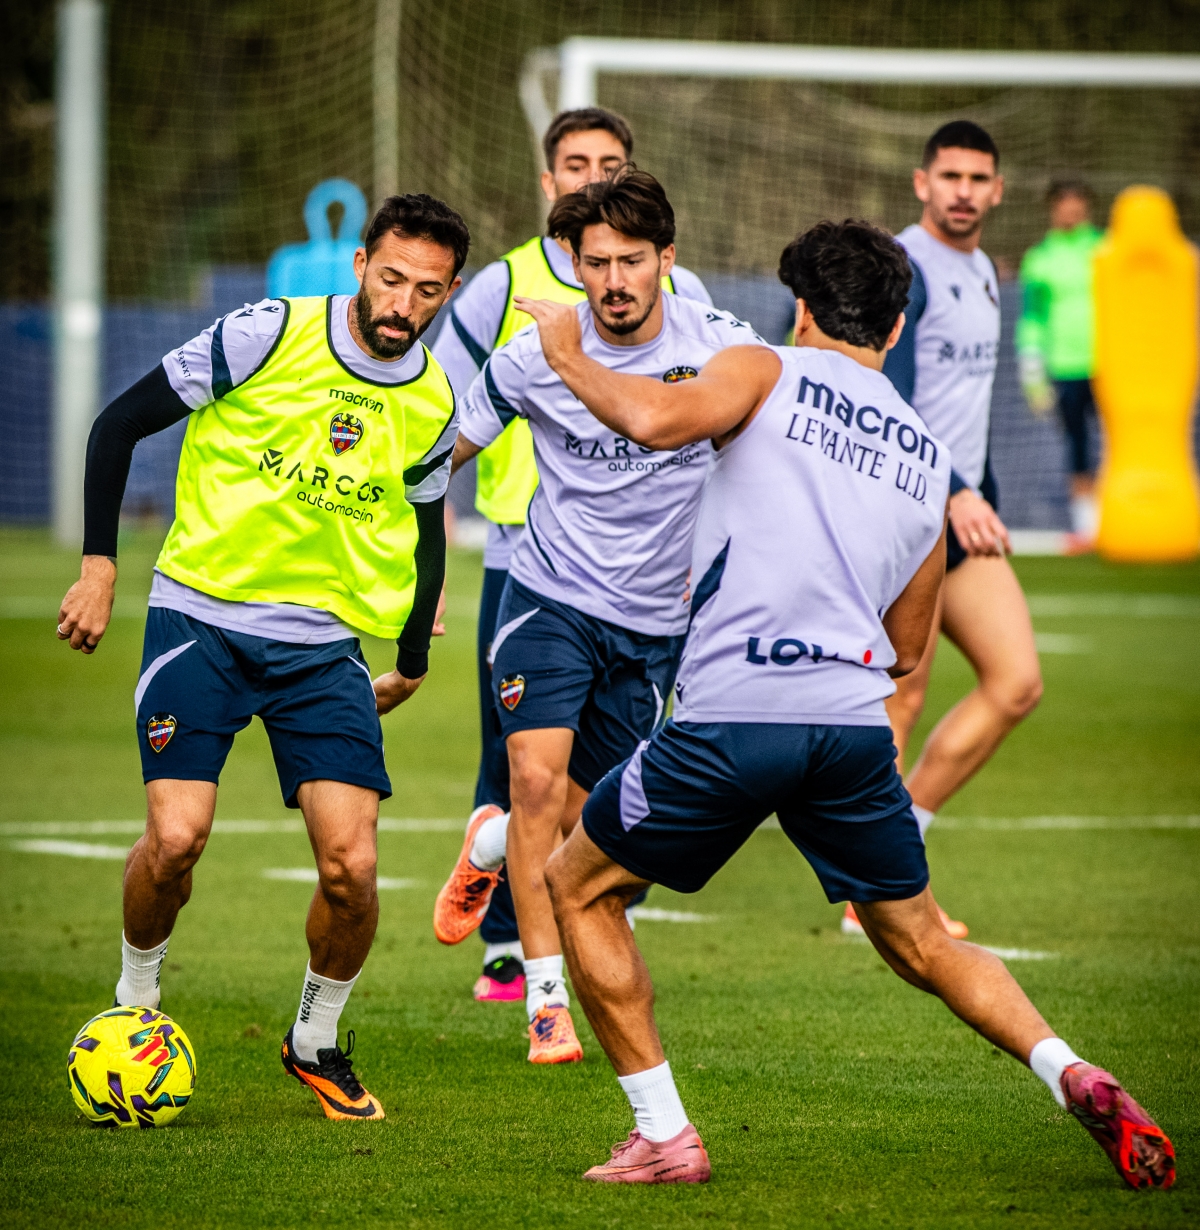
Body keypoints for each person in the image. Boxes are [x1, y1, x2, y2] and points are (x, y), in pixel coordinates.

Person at [523, 218, 1175, 1192]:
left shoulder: (762, 367)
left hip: (736, 712)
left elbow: (657, 421)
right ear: (899, 323)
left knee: (576, 886)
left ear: (799, 308)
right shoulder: (922, 453)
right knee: (914, 936)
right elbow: (911, 648)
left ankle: (663, 1134)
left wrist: (566, 350)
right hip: (854, 728)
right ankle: (1067, 1066)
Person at [55, 194, 470, 1122]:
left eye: (428, 291)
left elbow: (428, 523)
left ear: (447, 295)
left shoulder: (434, 397)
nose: (404, 303)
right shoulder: (266, 334)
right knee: (174, 841)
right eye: (393, 278)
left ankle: (315, 1041)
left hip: (323, 651)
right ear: (361, 263)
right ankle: (136, 1006)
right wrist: (99, 568)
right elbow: (116, 424)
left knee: (352, 871)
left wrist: (409, 653)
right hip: (200, 620)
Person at [432, 167, 762, 1063]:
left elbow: (771, 467)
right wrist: (409, 580)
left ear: (668, 260)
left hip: (659, 626)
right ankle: (546, 1001)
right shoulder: (531, 352)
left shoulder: (721, 345)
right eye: (597, 262)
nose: (614, 282)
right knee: (536, 780)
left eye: (633, 261)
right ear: (571, 263)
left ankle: (491, 840)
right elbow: (440, 459)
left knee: (589, 825)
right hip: (549, 597)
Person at [873, 120, 1044, 939]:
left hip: (964, 513)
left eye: (979, 178)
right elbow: (896, 407)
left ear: (998, 191)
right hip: (913, 514)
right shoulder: (904, 268)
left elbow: (964, 413)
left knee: (1016, 682)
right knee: (900, 699)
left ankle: (902, 848)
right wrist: (952, 492)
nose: (964, 190)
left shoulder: (982, 271)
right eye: (951, 176)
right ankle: (879, 891)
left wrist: (982, 495)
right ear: (921, 182)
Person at [1017, 180, 1105, 549]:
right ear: (1053, 208)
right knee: (1078, 443)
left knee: (1118, 440)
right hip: (1064, 366)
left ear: (1085, 207)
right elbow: (1032, 316)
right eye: (1064, 204)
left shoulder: (1106, 250)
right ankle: (1088, 528)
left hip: (1110, 365)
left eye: (1077, 203)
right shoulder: (1039, 259)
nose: (1070, 210)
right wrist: (1032, 370)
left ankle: (1123, 514)